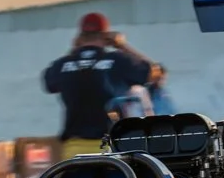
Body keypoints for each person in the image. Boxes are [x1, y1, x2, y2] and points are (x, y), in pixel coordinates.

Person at [42, 11, 153, 158]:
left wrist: (75, 51)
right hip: (110, 146)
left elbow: (48, 83)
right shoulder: (118, 60)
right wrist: (122, 46)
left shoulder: (62, 64)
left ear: (80, 36)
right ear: (106, 35)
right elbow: (151, 73)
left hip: (74, 148)